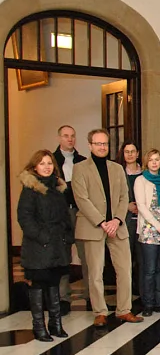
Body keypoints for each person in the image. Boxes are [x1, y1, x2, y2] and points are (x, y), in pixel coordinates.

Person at [73, 129, 143, 326]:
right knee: (95, 272)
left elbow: (124, 196)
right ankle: (100, 312)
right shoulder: (80, 168)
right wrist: (102, 221)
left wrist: (117, 220)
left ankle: (124, 310)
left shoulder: (117, 168)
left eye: (105, 144)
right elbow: (81, 199)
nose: (102, 147)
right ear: (90, 145)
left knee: (124, 269)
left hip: (117, 226)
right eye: (98, 143)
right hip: (93, 226)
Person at [18, 150, 74, 341]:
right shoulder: (30, 189)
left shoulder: (58, 189)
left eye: (49, 163)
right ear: (35, 167)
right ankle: (39, 326)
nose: (47, 167)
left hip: (57, 245)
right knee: (38, 285)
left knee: (54, 283)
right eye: (42, 163)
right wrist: (43, 237)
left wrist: (67, 236)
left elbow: (66, 217)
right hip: (38, 247)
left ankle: (55, 324)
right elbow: (25, 218)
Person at [134, 149, 160, 317]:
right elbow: (141, 206)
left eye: (157, 159)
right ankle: (148, 303)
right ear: (146, 162)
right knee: (149, 269)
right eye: (151, 160)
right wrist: (158, 225)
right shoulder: (141, 180)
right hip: (149, 229)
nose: (154, 163)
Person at [53, 125, 88, 315]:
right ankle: (63, 297)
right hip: (61, 213)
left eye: (73, 136)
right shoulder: (51, 161)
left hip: (81, 211)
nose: (70, 139)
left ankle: (92, 296)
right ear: (59, 138)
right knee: (63, 255)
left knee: (87, 255)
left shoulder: (82, 161)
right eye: (66, 136)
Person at [117, 141, 143, 298]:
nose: (130, 154)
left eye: (133, 151)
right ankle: (126, 293)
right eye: (127, 151)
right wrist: (126, 206)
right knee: (126, 259)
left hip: (143, 220)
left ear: (138, 153)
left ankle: (141, 291)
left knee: (142, 259)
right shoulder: (118, 172)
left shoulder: (144, 172)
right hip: (126, 220)